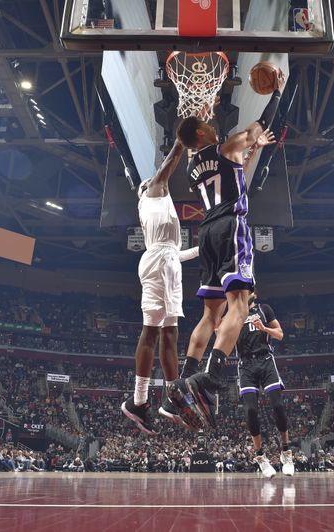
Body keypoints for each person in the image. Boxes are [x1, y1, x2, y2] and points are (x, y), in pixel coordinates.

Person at [168, 83, 284, 429]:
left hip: (206, 232)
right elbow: (255, 128)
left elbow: (234, 174)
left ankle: (184, 377)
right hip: (232, 227)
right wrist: (274, 96)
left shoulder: (193, 167)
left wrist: (247, 152)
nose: (215, 126)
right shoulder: (225, 147)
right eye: (208, 125)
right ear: (202, 132)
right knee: (240, 306)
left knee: (209, 313)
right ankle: (211, 378)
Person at [120, 138, 200, 434]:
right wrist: (182, 139)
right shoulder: (151, 195)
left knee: (171, 334)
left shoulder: (162, 207)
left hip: (168, 262)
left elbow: (174, 252)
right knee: (151, 332)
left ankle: (173, 397)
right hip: (156, 263)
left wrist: (202, 249)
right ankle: (138, 401)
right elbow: (166, 169)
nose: (159, 183)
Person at [233, 293, 292, 478]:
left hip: (265, 359)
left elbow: (280, 334)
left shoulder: (264, 309)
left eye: (248, 291)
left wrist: (264, 328)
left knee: (278, 406)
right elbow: (220, 334)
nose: (245, 294)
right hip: (245, 364)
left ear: (254, 294)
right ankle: (260, 456)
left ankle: (286, 452)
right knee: (250, 410)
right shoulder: (233, 313)